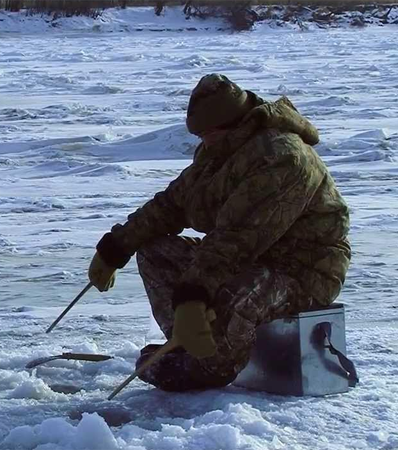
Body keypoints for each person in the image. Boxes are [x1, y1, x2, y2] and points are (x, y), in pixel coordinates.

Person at [88, 74, 351, 391]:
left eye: (207, 133)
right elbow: (173, 204)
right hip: (250, 258)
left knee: (236, 293)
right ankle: (189, 340)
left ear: (235, 124)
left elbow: (237, 238)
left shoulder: (282, 158)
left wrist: (193, 294)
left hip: (303, 270)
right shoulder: (220, 151)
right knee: (155, 250)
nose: (202, 141)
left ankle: (209, 365)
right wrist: (117, 247)